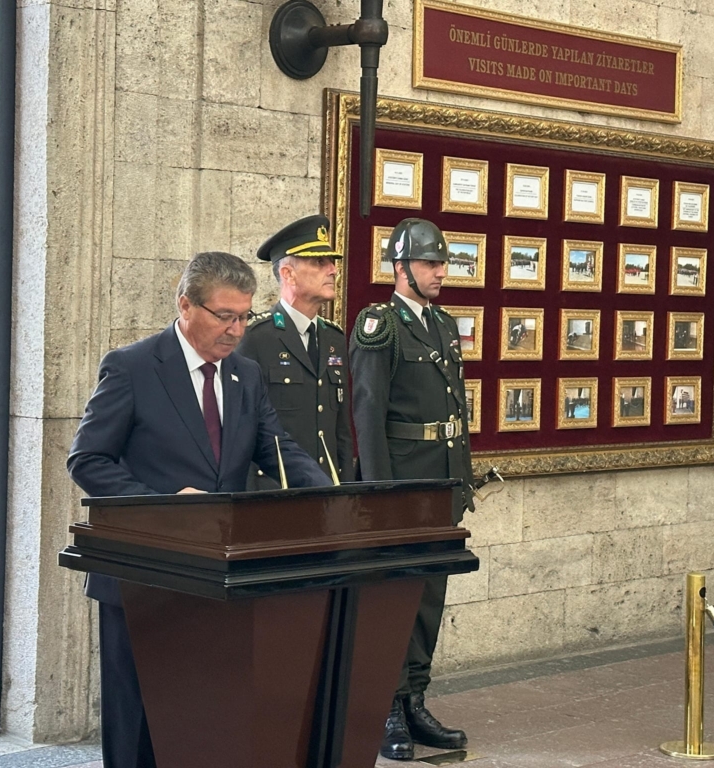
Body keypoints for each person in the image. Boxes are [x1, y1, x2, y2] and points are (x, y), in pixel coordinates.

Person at [67, 251, 332, 768]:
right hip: (144, 576)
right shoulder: (132, 367)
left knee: (204, 717)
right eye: (225, 316)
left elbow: (277, 447)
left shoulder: (246, 374)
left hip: (217, 575)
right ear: (185, 305)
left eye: (245, 317)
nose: (237, 331)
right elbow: (87, 460)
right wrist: (165, 506)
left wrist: (329, 497)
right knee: (140, 724)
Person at [349, 218, 474, 761]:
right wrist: (380, 493)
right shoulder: (381, 326)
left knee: (428, 597)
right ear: (400, 268)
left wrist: (461, 479)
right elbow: (367, 413)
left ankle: (416, 698)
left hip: (440, 485)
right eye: (429, 263)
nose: (441, 271)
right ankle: (389, 706)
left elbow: (454, 408)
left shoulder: (442, 324)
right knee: (393, 597)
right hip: (401, 484)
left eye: (443, 263)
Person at [238, 215, 353, 487]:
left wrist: (347, 489)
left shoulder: (334, 338)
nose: (333, 270)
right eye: (319, 262)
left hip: (327, 487)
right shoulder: (256, 338)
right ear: (288, 274)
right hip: (275, 491)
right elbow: (242, 429)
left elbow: (341, 430)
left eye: (332, 262)